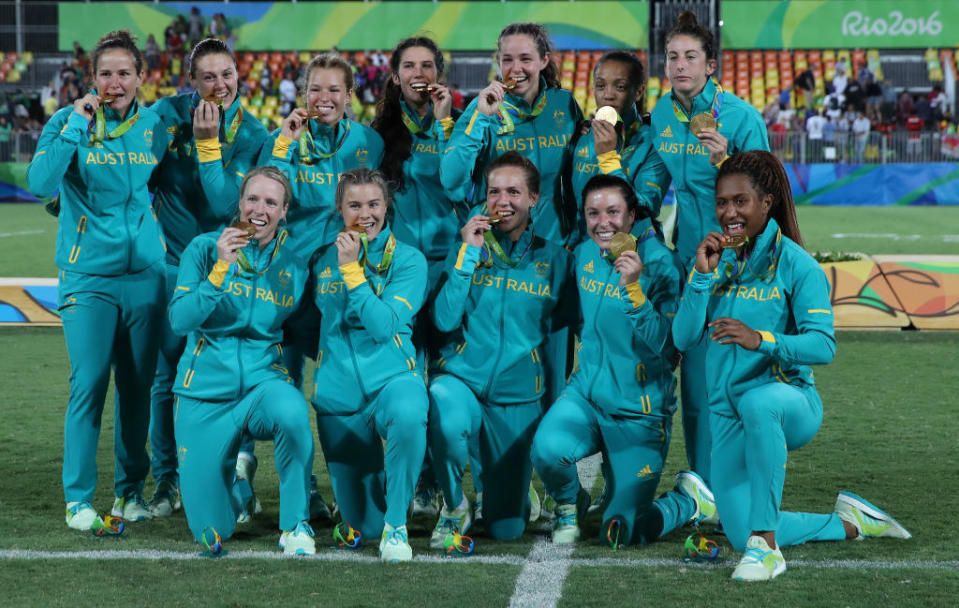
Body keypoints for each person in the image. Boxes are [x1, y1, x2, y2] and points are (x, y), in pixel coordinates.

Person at [672, 150, 912, 581]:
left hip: (790, 404)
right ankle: (851, 522)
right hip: (727, 416)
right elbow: (683, 339)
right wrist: (700, 276)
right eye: (722, 202)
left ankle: (766, 549)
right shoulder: (716, 259)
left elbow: (823, 346)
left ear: (767, 202)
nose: (729, 212)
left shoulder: (798, 266)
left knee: (760, 405)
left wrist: (759, 340)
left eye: (740, 201)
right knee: (736, 529)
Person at [27, 29, 169, 530]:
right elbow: (39, 184)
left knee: (137, 391)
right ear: (92, 79)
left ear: (140, 78)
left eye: (124, 73)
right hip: (88, 278)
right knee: (88, 383)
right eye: (105, 73)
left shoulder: (155, 126)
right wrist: (72, 131)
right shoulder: (68, 121)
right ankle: (78, 500)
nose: (115, 82)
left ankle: (130, 494)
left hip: (146, 278)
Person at [531, 174, 716, 547]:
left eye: (613, 212)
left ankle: (687, 501)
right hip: (589, 397)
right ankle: (570, 503)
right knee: (547, 450)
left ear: (632, 216)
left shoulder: (661, 265)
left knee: (622, 531)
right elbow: (580, 321)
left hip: (640, 411)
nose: (604, 223)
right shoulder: (583, 254)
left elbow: (669, 350)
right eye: (593, 213)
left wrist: (634, 289)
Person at [147, 37, 270, 517]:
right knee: (166, 376)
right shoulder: (164, 116)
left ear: (239, 75)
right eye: (208, 77)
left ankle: (236, 471)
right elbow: (140, 177)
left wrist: (206, 144)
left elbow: (226, 206)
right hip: (175, 264)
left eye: (227, 75)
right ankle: (166, 481)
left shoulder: (255, 135)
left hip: (230, 267)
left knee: (232, 375)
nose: (220, 85)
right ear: (191, 82)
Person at [428, 152, 575, 543]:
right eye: (494, 192)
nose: (503, 201)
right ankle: (455, 504)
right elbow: (442, 320)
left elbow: (567, 331)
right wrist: (466, 256)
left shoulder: (557, 260)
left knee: (507, 528)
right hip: (463, 379)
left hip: (518, 397)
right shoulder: (466, 247)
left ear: (535, 199)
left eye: (514, 191)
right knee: (443, 406)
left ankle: (506, 486)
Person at [169, 166, 316, 555]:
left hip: (259, 385)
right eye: (253, 199)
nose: (260, 209)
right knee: (214, 530)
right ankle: (237, 490)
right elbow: (180, 319)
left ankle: (296, 525)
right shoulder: (204, 248)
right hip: (203, 393)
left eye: (271, 202)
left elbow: (306, 332)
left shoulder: (296, 266)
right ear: (239, 203)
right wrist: (220, 270)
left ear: (284, 211)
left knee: (292, 412)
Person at [650, 10, 769, 489]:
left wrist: (726, 161)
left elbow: (769, 201)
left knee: (735, 383)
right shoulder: (661, 113)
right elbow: (653, 182)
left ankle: (740, 484)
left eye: (690, 57)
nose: (680, 65)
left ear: (711, 66)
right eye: (673, 56)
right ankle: (704, 486)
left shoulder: (741, 117)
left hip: (739, 273)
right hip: (690, 269)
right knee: (695, 386)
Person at [310, 168, 429, 562]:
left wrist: (351, 270)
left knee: (409, 413)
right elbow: (304, 324)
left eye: (374, 203)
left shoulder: (410, 260)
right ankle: (379, 517)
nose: (366, 213)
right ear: (339, 209)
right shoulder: (318, 259)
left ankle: (398, 527)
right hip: (340, 397)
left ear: (387, 206)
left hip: (393, 381)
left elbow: (383, 327)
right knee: (363, 526)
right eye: (355, 204)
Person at [371, 36, 461, 516]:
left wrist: (447, 125)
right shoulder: (379, 134)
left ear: (439, 72)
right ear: (395, 76)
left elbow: (458, 182)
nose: (419, 72)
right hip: (401, 273)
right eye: (409, 65)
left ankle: (442, 481)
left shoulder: (459, 124)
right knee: (405, 380)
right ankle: (409, 479)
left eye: (427, 64)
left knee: (445, 382)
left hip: (450, 272)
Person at [441, 21, 582, 245]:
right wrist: (481, 117)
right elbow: (451, 179)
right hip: (497, 245)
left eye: (525, 59)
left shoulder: (563, 104)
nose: (516, 68)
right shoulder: (481, 108)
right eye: (507, 59)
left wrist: (575, 234)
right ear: (498, 62)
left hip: (554, 244)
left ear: (543, 60)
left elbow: (576, 176)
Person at [569, 50, 670, 240]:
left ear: (639, 92)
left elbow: (645, 208)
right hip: (584, 257)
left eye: (620, 87)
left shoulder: (654, 143)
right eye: (600, 86)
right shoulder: (580, 135)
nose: (608, 95)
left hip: (634, 254)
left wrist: (609, 160)